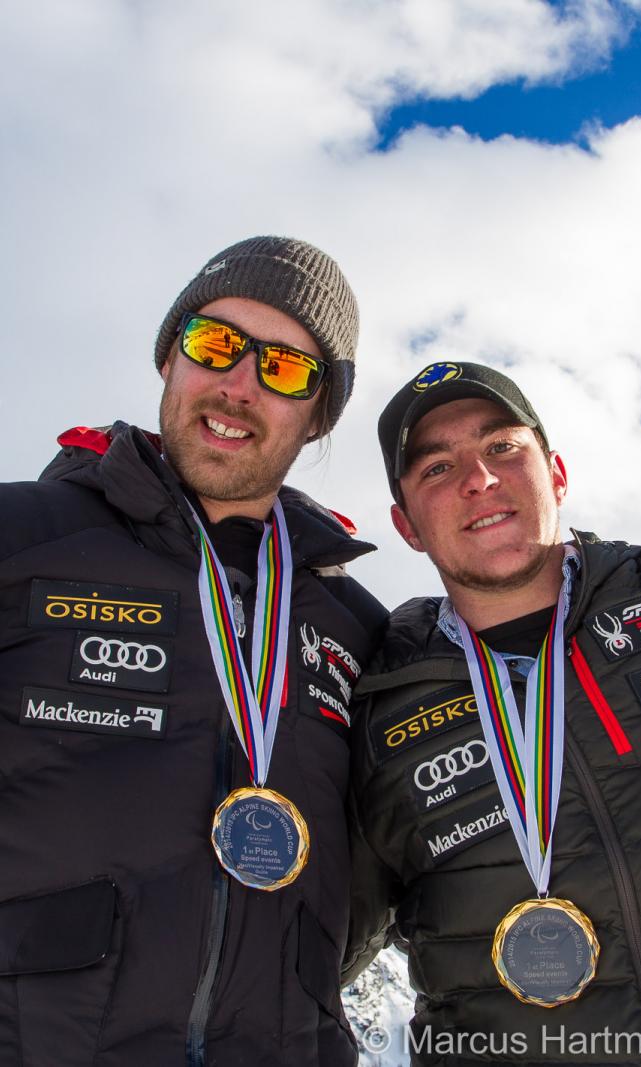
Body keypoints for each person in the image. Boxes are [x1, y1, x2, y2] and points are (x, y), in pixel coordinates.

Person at [345, 360, 641, 1067]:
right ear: (406, 525)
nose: (479, 478)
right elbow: (284, 945)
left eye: (503, 448)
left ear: (557, 474)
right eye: (437, 467)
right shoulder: (377, 713)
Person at [0, 236, 386, 1066]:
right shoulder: (24, 536)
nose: (240, 384)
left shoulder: (359, 625)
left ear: (317, 413)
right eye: (216, 343)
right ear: (170, 359)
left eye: (285, 368)